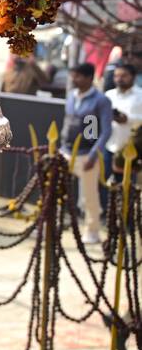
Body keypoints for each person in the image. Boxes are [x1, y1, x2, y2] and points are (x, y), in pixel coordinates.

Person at [61, 62, 113, 245]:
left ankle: (92, 231)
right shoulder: (71, 96)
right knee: (54, 187)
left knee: (89, 196)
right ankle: (54, 223)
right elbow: (67, 123)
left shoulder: (101, 100)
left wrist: (93, 155)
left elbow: (106, 131)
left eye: (78, 76)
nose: (74, 79)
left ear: (89, 78)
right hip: (66, 151)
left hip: (87, 154)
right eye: (73, 75)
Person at [107, 63, 142, 185]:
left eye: (123, 76)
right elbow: (93, 119)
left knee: (126, 188)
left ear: (133, 76)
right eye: (116, 76)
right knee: (105, 186)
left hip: (131, 149)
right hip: (108, 146)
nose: (119, 79)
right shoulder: (109, 95)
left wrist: (127, 119)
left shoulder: (140, 96)